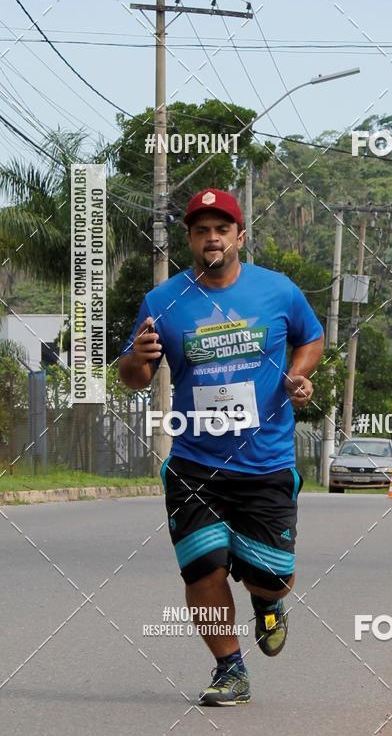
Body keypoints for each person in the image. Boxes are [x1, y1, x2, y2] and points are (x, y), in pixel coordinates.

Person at [119, 189, 324, 706]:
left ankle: (268, 603)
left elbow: (311, 337)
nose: (212, 238)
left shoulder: (278, 291)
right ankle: (230, 668)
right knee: (202, 566)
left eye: (221, 229)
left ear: (240, 236)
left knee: (271, 576)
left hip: (265, 461)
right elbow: (134, 377)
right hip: (195, 462)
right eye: (201, 230)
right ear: (190, 240)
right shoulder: (162, 301)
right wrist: (138, 358)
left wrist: (298, 376)